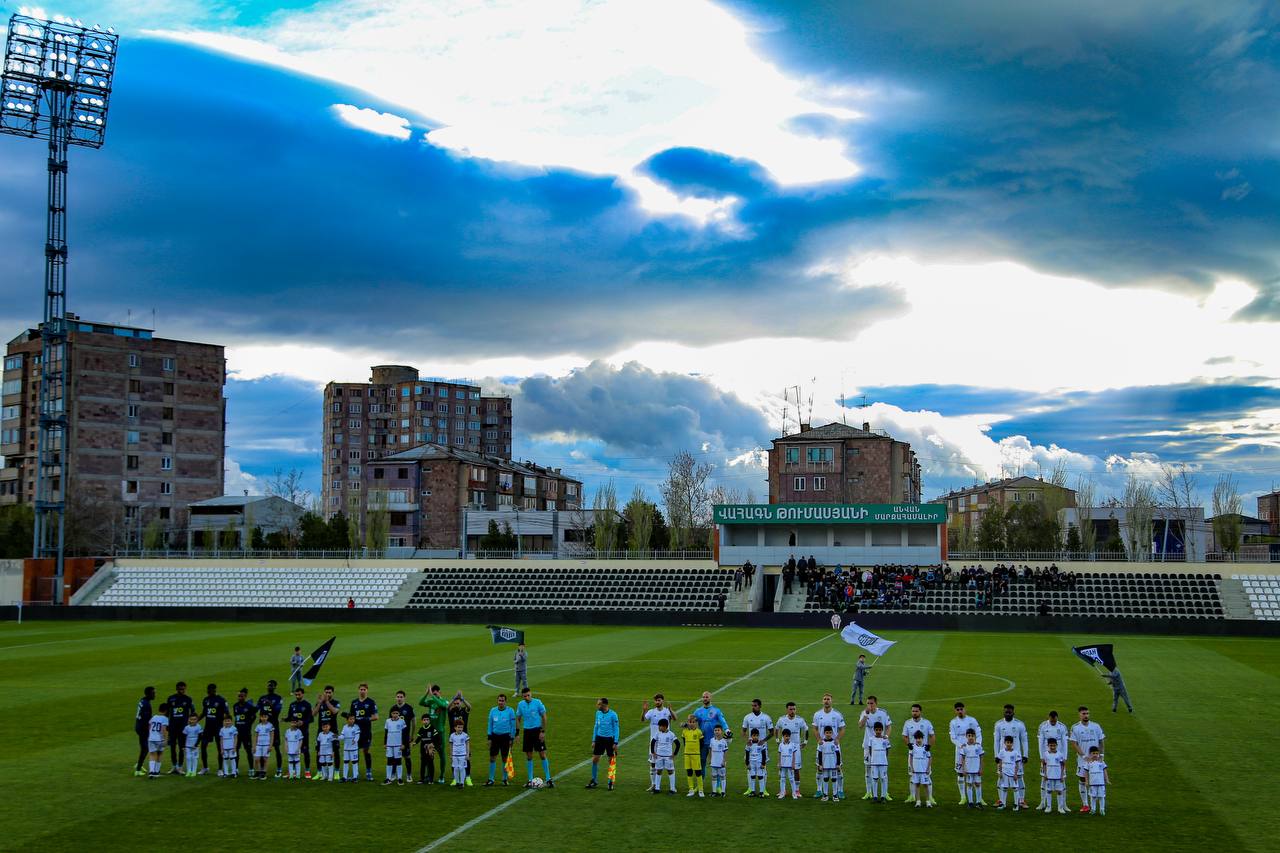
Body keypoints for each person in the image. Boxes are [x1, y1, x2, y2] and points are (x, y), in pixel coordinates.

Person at [1069, 706, 1105, 813]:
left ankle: (1098, 805)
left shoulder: (1096, 726)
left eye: (1087, 713)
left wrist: (1101, 755)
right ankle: (1085, 804)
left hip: (1096, 759)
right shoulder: (1075, 727)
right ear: (1079, 715)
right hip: (1083, 760)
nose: (1086, 716)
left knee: (1096, 779)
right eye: (1084, 714)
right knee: (1083, 779)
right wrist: (1084, 756)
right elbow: (1074, 743)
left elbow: (1101, 741)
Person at [810, 693, 846, 799]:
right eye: (825, 699)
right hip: (822, 745)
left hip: (834, 746)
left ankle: (840, 791)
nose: (826, 701)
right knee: (819, 767)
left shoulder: (837, 715)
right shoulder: (817, 714)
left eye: (828, 699)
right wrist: (819, 740)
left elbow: (842, 728)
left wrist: (837, 739)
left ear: (832, 701)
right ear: (822, 701)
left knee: (838, 768)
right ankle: (819, 790)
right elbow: (815, 728)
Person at [993, 703, 1029, 809]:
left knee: (1019, 777)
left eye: (1010, 711)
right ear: (1003, 712)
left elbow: (1024, 740)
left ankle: (1021, 800)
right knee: (1001, 777)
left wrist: (1025, 754)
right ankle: (1001, 800)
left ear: (1013, 712)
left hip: (1016, 757)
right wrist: (996, 755)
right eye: (1006, 711)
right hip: (1003, 757)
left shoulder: (1020, 724)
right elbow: (996, 741)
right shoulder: (999, 724)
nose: (1008, 713)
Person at [515, 687, 552, 787]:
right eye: (524, 696)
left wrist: (542, 731)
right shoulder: (520, 705)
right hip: (527, 732)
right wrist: (517, 733)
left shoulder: (538, 702)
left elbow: (544, 717)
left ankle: (548, 779)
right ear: (522, 696)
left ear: (531, 694)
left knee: (542, 754)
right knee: (529, 756)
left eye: (528, 695)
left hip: (537, 731)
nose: (526, 697)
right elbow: (517, 718)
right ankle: (530, 780)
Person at [858, 695, 892, 801]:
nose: (869, 705)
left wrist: (886, 737)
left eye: (871, 703)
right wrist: (865, 716)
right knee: (868, 769)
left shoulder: (883, 713)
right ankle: (869, 792)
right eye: (868, 703)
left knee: (883, 770)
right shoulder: (864, 713)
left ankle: (885, 793)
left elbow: (888, 726)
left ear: (876, 703)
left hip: (880, 747)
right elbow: (860, 726)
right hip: (868, 746)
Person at [949, 702, 983, 806]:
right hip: (961, 751)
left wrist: (978, 744)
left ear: (965, 709)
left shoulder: (972, 720)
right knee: (961, 773)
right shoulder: (953, 722)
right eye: (958, 709)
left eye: (961, 709)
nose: (960, 711)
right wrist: (962, 746)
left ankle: (979, 799)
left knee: (976, 772)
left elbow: (978, 733)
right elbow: (953, 738)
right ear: (955, 711)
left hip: (973, 750)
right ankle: (963, 797)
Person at [901, 703, 936, 803]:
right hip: (913, 754)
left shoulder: (927, 723)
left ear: (920, 712)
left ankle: (930, 798)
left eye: (916, 711)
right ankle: (912, 796)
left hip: (924, 754)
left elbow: (932, 736)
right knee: (912, 774)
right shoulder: (907, 723)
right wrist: (908, 745)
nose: (914, 713)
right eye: (913, 711)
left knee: (927, 774)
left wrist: (929, 746)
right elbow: (904, 736)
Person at [418, 684, 450, 783]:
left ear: (440, 692)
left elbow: (442, 705)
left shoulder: (445, 701)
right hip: (430, 733)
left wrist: (433, 696)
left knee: (441, 754)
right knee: (429, 754)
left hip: (439, 733)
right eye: (433, 691)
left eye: (436, 692)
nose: (434, 693)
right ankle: (428, 775)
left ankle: (441, 775)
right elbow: (420, 702)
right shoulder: (431, 701)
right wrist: (427, 693)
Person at [740, 698, 774, 796]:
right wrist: (747, 740)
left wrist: (764, 740)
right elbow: (743, 731)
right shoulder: (747, 717)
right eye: (752, 705)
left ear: (759, 706)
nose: (753, 707)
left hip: (762, 746)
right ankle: (750, 789)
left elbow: (772, 732)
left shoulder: (766, 717)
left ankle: (764, 789)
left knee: (763, 766)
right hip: (751, 746)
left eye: (755, 705)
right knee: (750, 767)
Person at [642, 694, 675, 791]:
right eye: (656, 700)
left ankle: (672, 787)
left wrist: (671, 710)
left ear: (662, 701)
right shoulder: (651, 712)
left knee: (669, 766)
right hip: (654, 742)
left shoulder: (667, 711)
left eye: (659, 700)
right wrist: (644, 710)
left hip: (665, 743)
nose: (657, 702)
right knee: (652, 764)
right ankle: (653, 784)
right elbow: (643, 719)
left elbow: (675, 718)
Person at [1037, 710, 1068, 809]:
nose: (1053, 722)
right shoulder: (1043, 726)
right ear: (1049, 717)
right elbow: (1040, 742)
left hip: (1059, 757)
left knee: (1062, 779)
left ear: (1057, 718)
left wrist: (1065, 757)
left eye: (1055, 720)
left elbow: (1065, 743)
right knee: (1044, 778)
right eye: (1052, 720)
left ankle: (1064, 805)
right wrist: (1042, 757)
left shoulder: (1062, 727)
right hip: (1047, 757)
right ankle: (1043, 803)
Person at [693, 692, 729, 777]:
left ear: (710, 698)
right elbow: (692, 722)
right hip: (703, 740)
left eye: (706, 697)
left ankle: (719, 785)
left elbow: (723, 722)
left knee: (718, 762)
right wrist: (686, 725)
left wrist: (727, 730)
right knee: (702, 761)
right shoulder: (698, 711)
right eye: (703, 697)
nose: (705, 698)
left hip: (714, 741)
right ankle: (701, 784)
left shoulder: (716, 710)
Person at [775, 702, 807, 798]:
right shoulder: (782, 719)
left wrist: (805, 741)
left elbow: (806, 729)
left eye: (794, 709)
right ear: (787, 709)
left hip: (796, 747)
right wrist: (777, 740)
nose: (792, 711)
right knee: (782, 769)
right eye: (790, 709)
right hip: (784, 747)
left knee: (796, 769)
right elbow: (776, 729)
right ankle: (783, 790)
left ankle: (797, 790)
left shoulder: (800, 720)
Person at [485, 693, 517, 786]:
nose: (501, 702)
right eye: (499, 700)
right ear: (497, 701)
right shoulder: (493, 710)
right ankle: (491, 779)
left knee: (504, 759)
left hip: (505, 737)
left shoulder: (510, 711)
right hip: (495, 737)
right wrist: (489, 738)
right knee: (492, 758)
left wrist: (512, 738)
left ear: (505, 702)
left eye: (503, 701)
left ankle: (504, 779)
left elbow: (513, 726)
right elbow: (490, 724)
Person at [587, 697, 619, 790]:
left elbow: (616, 728)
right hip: (599, 739)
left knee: (611, 761)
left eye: (599, 704)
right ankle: (594, 780)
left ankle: (610, 782)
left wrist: (615, 742)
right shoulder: (598, 713)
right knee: (595, 760)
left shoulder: (613, 715)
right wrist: (594, 740)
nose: (597, 705)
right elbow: (596, 726)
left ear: (605, 704)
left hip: (610, 740)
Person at [350, 683, 379, 782]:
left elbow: (376, 716)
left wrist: (366, 719)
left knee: (366, 751)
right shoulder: (354, 703)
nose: (362, 691)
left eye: (364, 689)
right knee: (355, 752)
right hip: (356, 732)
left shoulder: (371, 702)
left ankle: (369, 772)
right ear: (358, 690)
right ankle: (355, 773)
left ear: (367, 690)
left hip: (366, 731)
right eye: (361, 689)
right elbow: (351, 717)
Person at [165, 682, 195, 774]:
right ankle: (174, 766)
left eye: (183, 689)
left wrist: (190, 722)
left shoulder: (188, 699)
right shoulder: (171, 698)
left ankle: (180, 767)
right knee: (172, 747)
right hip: (172, 727)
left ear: (185, 688)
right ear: (176, 689)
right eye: (180, 689)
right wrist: (166, 724)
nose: (182, 691)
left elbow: (193, 711)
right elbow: (167, 713)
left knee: (182, 747)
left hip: (183, 728)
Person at [257, 679, 285, 778]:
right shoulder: (262, 698)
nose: (270, 687)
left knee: (277, 748)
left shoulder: (278, 698)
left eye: (272, 685)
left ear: (275, 687)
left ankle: (279, 769)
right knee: (261, 748)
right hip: (262, 727)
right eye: (269, 685)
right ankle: (261, 770)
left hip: (273, 726)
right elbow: (257, 708)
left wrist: (270, 704)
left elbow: (277, 711)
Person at [199, 683, 229, 775]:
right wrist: (197, 720)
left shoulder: (221, 700)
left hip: (218, 728)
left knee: (219, 748)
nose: (210, 692)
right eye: (209, 690)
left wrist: (224, 722)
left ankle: (220, 769)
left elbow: (227, 713)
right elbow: (204, 712)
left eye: (212, 690)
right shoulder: (206, 700)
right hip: (208, 727)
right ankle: (205, 767)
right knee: (203, 746)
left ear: (215, 690)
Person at [287, 687, 314, 779]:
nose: (297, 696)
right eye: (296, 694)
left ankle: (307, 771)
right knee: (293, 752)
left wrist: (303, 722)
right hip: (293, 733)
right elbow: (290, 717)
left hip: (303, 732)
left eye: (299, 694)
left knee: (305, 751)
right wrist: (284, 719)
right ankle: (293, 771)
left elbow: (311, 719)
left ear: (303, 694)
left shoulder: (307, 705)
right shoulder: (292, 705)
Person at [389, 690, 417, 782]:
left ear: (404, 698)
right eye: (398, 696)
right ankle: (393, 774)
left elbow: (413, 722)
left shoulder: (409, 708)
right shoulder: (392, 708)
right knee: (394, 756)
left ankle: (409, 775)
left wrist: (412, 735)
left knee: (407, 756)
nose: (399, 698)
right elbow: (389, 723)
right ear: (395, 697)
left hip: (405, 737)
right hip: (394, 738)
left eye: (401, 697)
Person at [447, 692, 473, 786]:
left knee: (467, 758)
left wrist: (462, 699)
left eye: (458, 703)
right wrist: (454, 699)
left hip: (464, 738)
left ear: (461, 703)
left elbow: (470, 707)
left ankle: (468, 777)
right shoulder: (451, 712)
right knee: (454, 760)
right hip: (453, 739)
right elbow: (447, 707)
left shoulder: (464, 711)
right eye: (455, 703)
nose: (456, 705)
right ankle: (455, 779)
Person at [650, 717, 680, 794]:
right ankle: (657, 788)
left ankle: (672, 789)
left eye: (660, 726)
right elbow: (653, 742)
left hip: (668, 757)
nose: (659, 727)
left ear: (665, 726)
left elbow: (678, 744)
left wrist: (674, 754)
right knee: (658, 771)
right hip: (659, 756)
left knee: (670, 771)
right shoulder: (657, 733)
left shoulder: (671, 734)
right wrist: (653, 752)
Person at [957, 729, 984, 809]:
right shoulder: (964, 747)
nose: (971, 737)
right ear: (966, 736)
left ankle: (978, 802)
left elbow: (981, 757)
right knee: (969, 785)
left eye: (972, 736)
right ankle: (971, 802)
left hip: (976, 769)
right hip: (968, 770)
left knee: (978, 784)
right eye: (969, 736)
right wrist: (964, 769)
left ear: (975, 736)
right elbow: (962, 758)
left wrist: (981, 768)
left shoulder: (978, 746)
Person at [1040, 737, 1069, 813]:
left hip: (1058, 776)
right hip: (1049, 776)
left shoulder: (1060, 754)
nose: (1052, 747)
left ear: (1057, 745)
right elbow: (1044, 765)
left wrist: (1062, 775)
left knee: (1059, 791)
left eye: (1054, 745)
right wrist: (1045, 775)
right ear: (1048, 745)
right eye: (1051, 745)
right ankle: (1048, 807)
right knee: (1049, 791)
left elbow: (1063, 765)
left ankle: (1060, 807)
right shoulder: (1045, 754)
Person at [907, 729, 933, 808]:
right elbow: (911, 758)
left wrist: (928, 768)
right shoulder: (913, 747)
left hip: (924, 770)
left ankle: (928, 801)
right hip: (916, 770)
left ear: (922, 738)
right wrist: (911, 767)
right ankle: (918, 801)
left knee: (925, 785)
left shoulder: (926, 747)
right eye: (917, 738)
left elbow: (930, 757)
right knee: (917, 785)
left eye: (920, 738)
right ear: (915, 739)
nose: (918, 740)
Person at [866, 721, 891, 802]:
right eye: (876, 730)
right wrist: (873, 758)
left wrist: (884, 758)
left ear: (882, 730)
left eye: (880, 730)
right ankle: (875, 796)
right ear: (874, 730)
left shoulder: (885, 739)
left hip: (883, 762)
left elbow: (887, 750)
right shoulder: (871, 739)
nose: (878, 731)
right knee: (875, 778)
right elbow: (870, 750)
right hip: (874, 762)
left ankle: (883, 796)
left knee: (883, 779)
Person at [134, 686, 156, 777]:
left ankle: (139, 764)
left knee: (144, 748)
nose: (155, 695)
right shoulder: (147, 705)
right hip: (143, 728)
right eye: (153, 693)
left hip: (138, 726)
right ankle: (138, 769)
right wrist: (150, 731)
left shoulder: (142, 700)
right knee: (145, 748)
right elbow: (146, 720)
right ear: (148, 694)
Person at [680, 714, 704, 797]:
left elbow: (701, 744)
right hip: (687, 754)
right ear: (688, 722)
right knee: (689, 772)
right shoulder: (684, 731)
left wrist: (696, 751)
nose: (691, 723)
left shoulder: (699, 732)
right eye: (690, 722)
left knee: (698, 772)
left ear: (696, 723)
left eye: (693, 722)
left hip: (696, 755)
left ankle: (701, 790)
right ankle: (691, 789)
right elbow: (684, 742)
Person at [232, 688, 256, 768]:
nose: (240, 698)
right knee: (236, 750)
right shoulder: (235, 706)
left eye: (241, 696)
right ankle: (236, 769)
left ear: (245, 696)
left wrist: (248, 724)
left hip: (246, 732)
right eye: (239, 696)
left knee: (248, 751)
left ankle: (251, 769)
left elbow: (254, 716)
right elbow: (236, 717)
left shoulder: (249, 706)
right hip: (237, 733)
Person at [413, 712, 440, 784]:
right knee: (423, 763)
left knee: (430, 763)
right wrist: (415, 742)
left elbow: (437, 737)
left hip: (430, 749)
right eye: (424, 720)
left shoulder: (432, 728)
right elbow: (419, 737)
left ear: (429, 721)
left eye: (427, 720)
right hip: (423, 749)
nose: (426, 721)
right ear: (422, 721)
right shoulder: (421, 729)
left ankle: (431, 779)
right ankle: (421, 779)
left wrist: (432, 744)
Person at [383, 707, 407, 786]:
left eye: (397, 713)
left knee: (398, 761)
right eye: (393, 713)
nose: (395, 715)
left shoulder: (402, 721)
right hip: (389, 744)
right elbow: (386, 733)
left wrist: (403, 744)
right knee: (389, 761)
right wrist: (385, 743)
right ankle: (388, 778)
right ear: (391, 714)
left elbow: (404, 734)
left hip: (398, 745)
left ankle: (399, 778)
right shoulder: (387, 721)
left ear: (399, 714)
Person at [146, 702, 170, 779]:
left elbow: (149, 727)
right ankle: (157, 772)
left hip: (151, 738)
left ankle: (151, 772)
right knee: (160, 753)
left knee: (152, 754)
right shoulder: (165, 718)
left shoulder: (154, 717)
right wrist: (166, 739)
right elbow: (164, 729)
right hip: (160, 739)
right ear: (166, 711)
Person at [996, 735, 1021, 809]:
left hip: (1012, 773)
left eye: (1010, 742)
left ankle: (1016, 804)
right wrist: (1000, 772)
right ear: (1004, 743)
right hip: (1004, 772)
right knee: (1004, 788)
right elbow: (1000, 763)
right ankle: (1003, 804)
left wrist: (1016, 774)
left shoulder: (1016, 753)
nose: (1009, 744)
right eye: (1007, 742)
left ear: (1012, 743)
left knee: (1015, 788)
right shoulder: (1002, 752)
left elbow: (1017, 764)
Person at [816, 726, 840, 803]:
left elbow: (838, 753)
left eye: (830, 733)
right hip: (825, 764)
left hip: (833, 764)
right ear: (824, 733)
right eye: (827, 733)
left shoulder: (835, 742)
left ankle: (835, 795)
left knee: (834, 779)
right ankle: (825, 795)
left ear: (832, 733)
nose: (828, 734)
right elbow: (819, 754)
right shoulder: (821, 743)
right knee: (825, 779)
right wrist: (820, 764)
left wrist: (838, 764)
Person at [776, 728, 800, 799]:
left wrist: (793, 764)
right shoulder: (780, 745)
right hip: (783, 765)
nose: (787, 738)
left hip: (790, 765)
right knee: (782, 779)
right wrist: (779, 763)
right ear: (783, 736)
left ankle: (794, 793)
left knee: (791, 779)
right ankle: (782, 793)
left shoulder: (792, 745)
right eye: (786, 736)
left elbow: (794, 755)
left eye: (788, 736)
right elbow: (779, 754)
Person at [1085, 746, 1110, 815]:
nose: (1095, 755)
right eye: (1093, 753)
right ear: (1090, 754)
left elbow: (1105, 771)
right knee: (1093, 796)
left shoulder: (1101, 762)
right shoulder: (1088, 763)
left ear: (1098, 754)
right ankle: (1093, 809)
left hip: (1101, 783)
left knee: (1101, 796)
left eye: (1096, 753)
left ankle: (1102, 809)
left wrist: (1107, 780)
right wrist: (1087, 781)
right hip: (1092, 784)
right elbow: (1086, 773)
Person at [707, 724, 730, 797]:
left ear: (721, 731)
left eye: (718, 730)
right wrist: (710, 759)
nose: (717, 732)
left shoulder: (724, 741)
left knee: (722, 776)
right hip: (714, 762)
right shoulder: (712, 740)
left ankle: (723, 792)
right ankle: (714, 792)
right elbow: (710, 750)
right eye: (715, 730)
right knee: (714, 776)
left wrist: (724, 761)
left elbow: (726, 752)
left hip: (721, 762)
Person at [744, 728, 768, 797]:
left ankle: (761, 792)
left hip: (759, 763)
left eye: (757, 735)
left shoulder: (761, 743)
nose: (755, 737)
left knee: (760, 776)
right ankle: (752, 791)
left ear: (758, 736)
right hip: (751, 763)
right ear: (751, 736)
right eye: (754, 735)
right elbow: (747, 754)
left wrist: (763, 763)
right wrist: (747, 764)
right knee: (752, 776)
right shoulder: (749, 744)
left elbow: (764, 754)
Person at [339, 713, 362, 782]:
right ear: (347, 720)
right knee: (346, 762)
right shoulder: (344, 727)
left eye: (353, 719)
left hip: (354, 748)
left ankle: (355, 777)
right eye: (350, 719)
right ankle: (344, 777)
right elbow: (342, 736)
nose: (352, 720)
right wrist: (337, 737)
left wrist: (355, 740)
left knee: (354, 762)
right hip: (346, 748)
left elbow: (357, 736)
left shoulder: (356, 727)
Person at [252, 710, 274, 780]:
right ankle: (257, 772)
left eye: (265, 717)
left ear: (267, 717)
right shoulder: (258, 726)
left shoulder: (270, 725)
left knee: (265, 759)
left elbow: (272, 736)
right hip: (258, 745)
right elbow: (255, 737)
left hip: (266, 745)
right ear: (260, 717)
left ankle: (264, 773)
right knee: (256, 759)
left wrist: (270, 746)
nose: (264, 718)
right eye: (262, 717)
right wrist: (254, 746)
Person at [449, 719, 471, 787]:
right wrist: (451, 754)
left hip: (462, 755)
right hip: (455, 755)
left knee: (461, 768)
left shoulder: (465, 735)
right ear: (455, 727)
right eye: (458, 727)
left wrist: (467, 754)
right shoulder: (452, 736)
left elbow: (467, 744)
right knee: (456, 768)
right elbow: (451, 745)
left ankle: (462, 783)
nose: (460, 729)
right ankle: (457, 782)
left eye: (461, 727)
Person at [180, 714, 202, 779]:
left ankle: (194, 771)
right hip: (188, 745)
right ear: (189, 719)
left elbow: (200, 736)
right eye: (191, 719)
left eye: (194, 719)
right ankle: (189, 771)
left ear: (197, 720)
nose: (193, 721)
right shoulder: (187, 727)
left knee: (194, 758)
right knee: (188, 758)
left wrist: (196, 744)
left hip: (195, 746)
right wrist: (183, 746)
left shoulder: (198, 727)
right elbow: (183, 737)